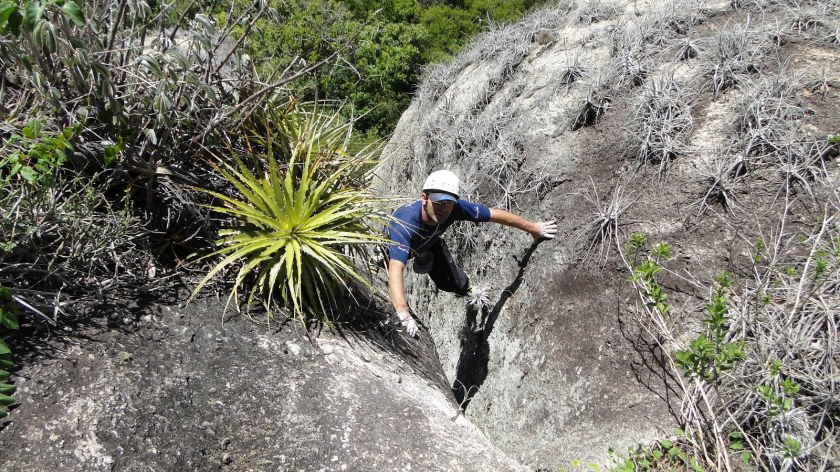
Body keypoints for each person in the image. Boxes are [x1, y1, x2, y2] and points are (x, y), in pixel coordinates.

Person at [387, 170, 557, 337]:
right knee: (385, 258)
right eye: (438, 202)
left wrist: (533, 228)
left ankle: (469, 288)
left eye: (448, 203)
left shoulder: (455, 209)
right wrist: (403, 312)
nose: (443, 208)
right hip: (397, 244)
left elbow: (495, 215)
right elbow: (396, 267)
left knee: (449, 283)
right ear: (424, 198)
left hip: (430, 242)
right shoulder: (405, 223)